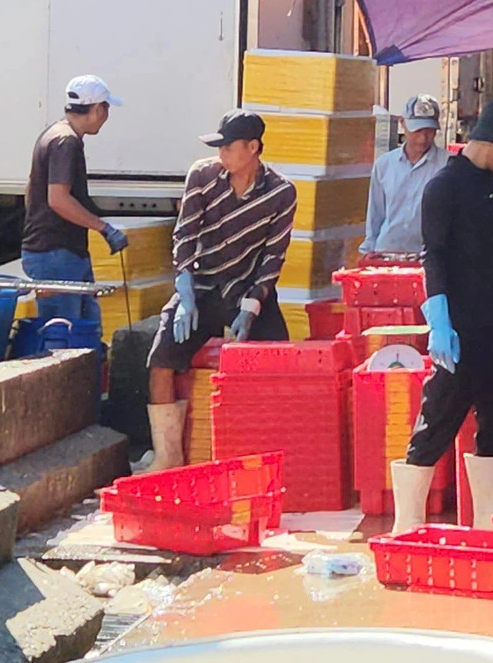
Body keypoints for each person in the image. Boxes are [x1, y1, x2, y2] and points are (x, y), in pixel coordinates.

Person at [390, 98, 493, 534]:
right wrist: (439, 320)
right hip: (460, 327)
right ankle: (408, 523)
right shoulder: (445, 186)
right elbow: (433, 255)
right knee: (437, 418)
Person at [144, 109, 299, 471]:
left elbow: (273, 258)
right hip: (200, 288)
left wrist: (253, 305)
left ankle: (270, 455)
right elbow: (185, 235)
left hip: (247, 290)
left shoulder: (281, 192)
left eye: (228, 148)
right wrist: (183, 288)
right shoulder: (202, 175)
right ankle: (168, 457)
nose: (221, 155)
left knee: (279, 365)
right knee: (160, 361)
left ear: (253, 147)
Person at [23, 75, 129, 323]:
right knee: (65, 331)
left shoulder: (53, 134)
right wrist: (104, 228)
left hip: (55, 251)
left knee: (84, 328)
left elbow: (32, 189)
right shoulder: (66, 142)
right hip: (56, 254)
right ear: (95, 108)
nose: (106, 115)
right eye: (105, 108)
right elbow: (58, 199)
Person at [362, 94, 444, 258]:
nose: (422, 138)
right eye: (417, 131)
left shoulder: (448, 165)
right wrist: (368, 250)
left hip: (429, 257)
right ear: (403, 123)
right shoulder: (384, 165)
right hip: (386, 252)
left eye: (429, 131)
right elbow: (375, 215)